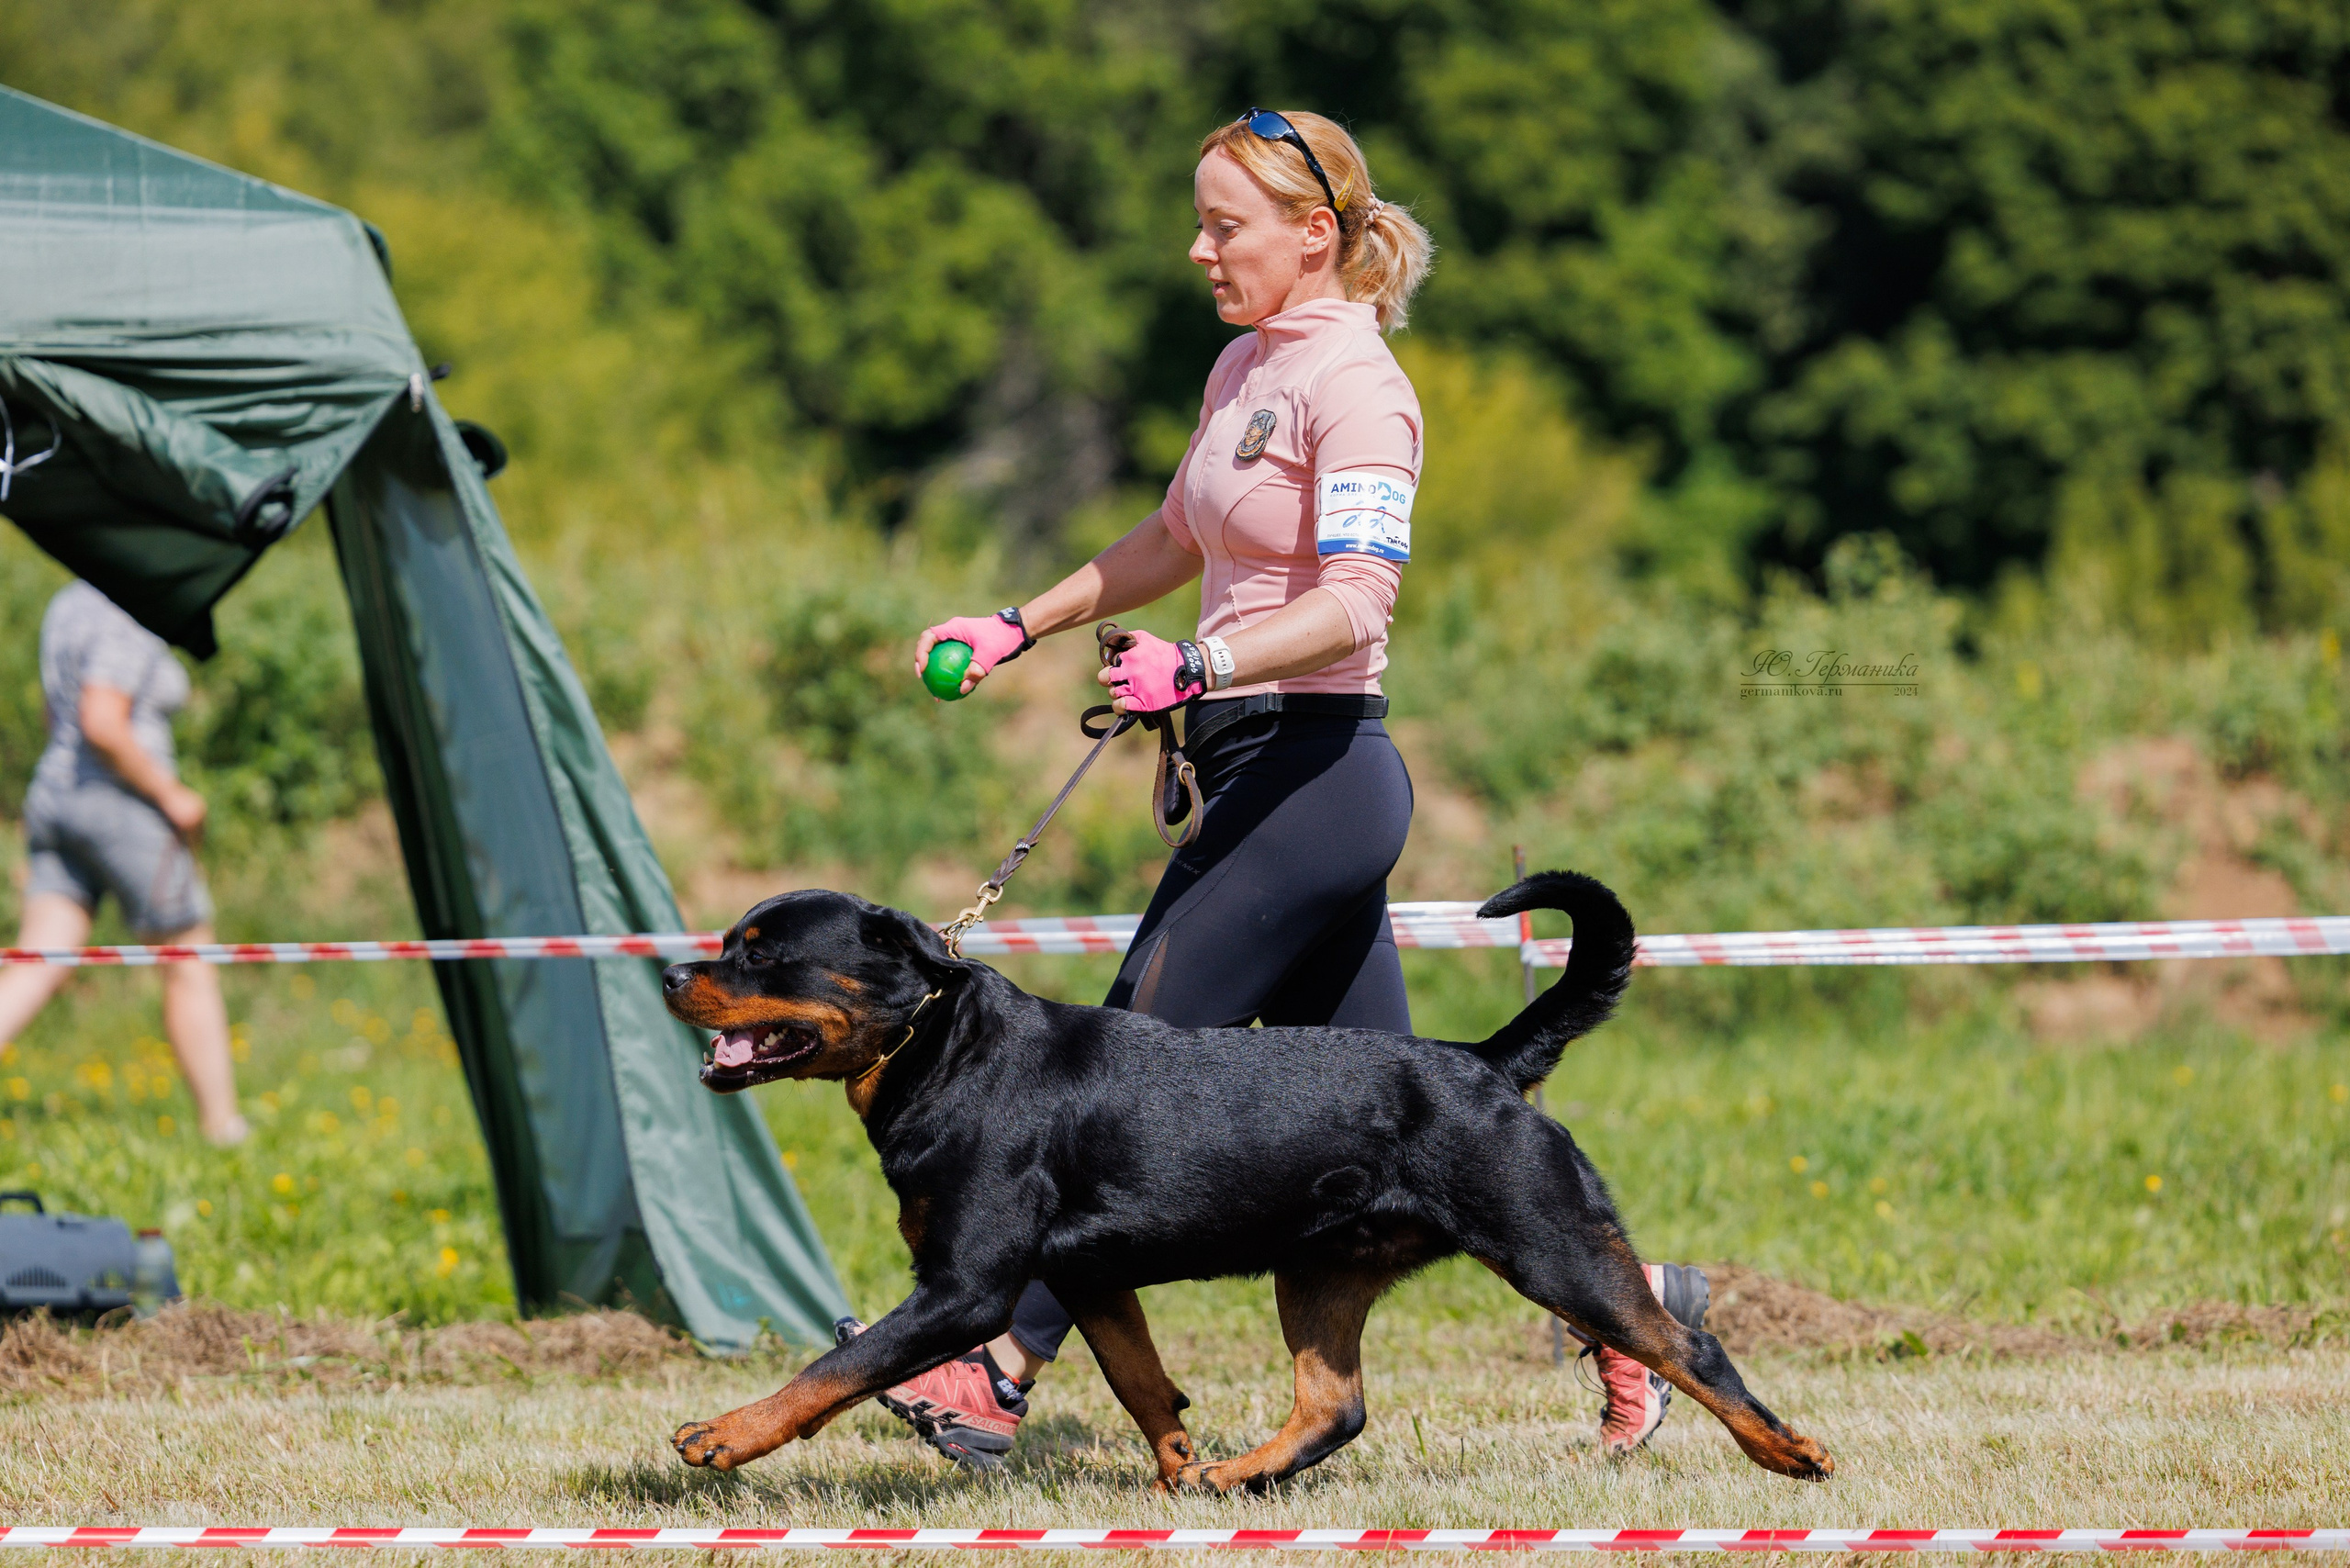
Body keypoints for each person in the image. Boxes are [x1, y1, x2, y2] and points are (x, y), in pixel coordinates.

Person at [863, 108, 1706, 1467]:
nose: (1200, 251)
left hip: (1312, 779)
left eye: (1225, 226)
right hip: (1247, 763)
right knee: (1431, 1131)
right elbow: (1170, 534)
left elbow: (1357, 603)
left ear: (1315, 234)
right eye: (1199, 225)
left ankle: (994, 1367)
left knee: (1110, 1079)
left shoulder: (1361, 388)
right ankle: (1637, 1311)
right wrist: (1017, 625)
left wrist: (1200, 662)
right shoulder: (1244, 364)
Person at [0, 580, 246, 1146]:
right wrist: (171, 795)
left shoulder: (68, 600)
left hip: (55, 797)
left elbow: (54, 714)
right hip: (121, 805)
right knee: (187, 957)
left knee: (36, 961)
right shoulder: (129, 603)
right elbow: (102, 722)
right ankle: (223, 1126)